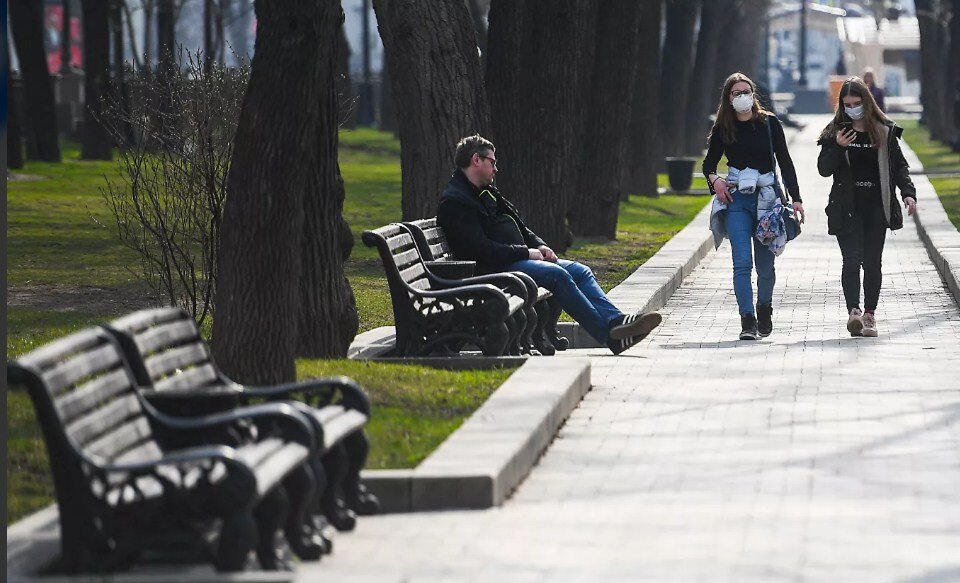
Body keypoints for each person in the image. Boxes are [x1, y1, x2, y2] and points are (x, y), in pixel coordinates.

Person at [437, 135, 662, 355]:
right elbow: (480, 250)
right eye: (492, 162)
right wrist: (526, 253)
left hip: (510, 261)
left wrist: (540, 245)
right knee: (557, 275)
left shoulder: (485, 192)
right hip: (490, 270)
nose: (496, 169)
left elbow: (520, 226)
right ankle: (609, 336)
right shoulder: (457, 201)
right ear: (476, 160)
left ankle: (616, 320)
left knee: (579, 270)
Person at [703, 72, 805, 340]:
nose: (742, 97)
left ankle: (764, 308)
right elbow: (708, 165)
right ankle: (747, 320)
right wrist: (716, 181)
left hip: (767, 201)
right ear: (728, 98)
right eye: (736, 93)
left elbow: (785, 161)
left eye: (746, 92)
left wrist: (796, 198)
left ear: (753, 94)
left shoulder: (769, 124)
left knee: (765, 266)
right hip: (737, 200)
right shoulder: (723, 128)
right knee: (742, 263)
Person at [817, 76, 917, 337]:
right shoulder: (835, 131)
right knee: (851, 260)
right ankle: (854, 312)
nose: (852, 109)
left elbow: (899, 166)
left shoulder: (884, 130)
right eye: (847, 104)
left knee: (872, 263)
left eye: (857, 103)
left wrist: (908, 194)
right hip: (846, 206)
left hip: (876, 206)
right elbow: (823, 169)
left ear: (867, 101)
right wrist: (838, 146)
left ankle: (870, 315)